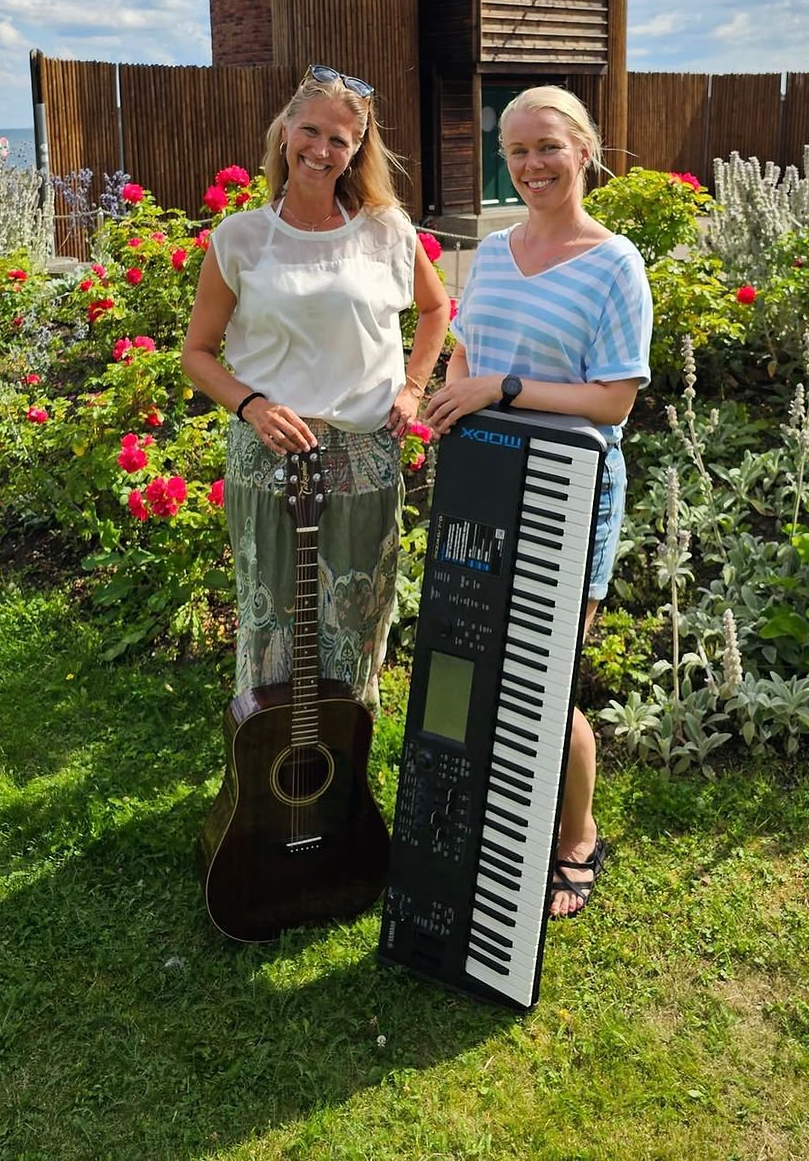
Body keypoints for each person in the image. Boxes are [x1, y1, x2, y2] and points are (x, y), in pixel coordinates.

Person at [425, 86, 652, 918]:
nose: (530, 165)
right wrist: (457, 395)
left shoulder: (613, 262)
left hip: (567, 491)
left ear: (584, 150)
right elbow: (464, 352)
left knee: (545, 681)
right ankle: (495, 814)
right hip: (482, 478)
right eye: (515, 151)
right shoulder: (491, 250)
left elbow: (613, 402)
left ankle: (576, 837)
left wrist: (504, 388)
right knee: (475, 660)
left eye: (547, 148)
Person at [181, 65, 450, 708]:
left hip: (365, 451)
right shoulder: (241, 237)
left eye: (340, 139)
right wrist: (252, 406)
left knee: (358, 621)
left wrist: (412, 388)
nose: (321, 150)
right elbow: (197, 354)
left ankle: (342, 762)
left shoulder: (387, 229)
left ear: (358, 149)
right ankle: (271, 758)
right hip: (269, 454)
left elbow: (437, 310)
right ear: (284, 133)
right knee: (271, 616)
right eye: (310, 131)